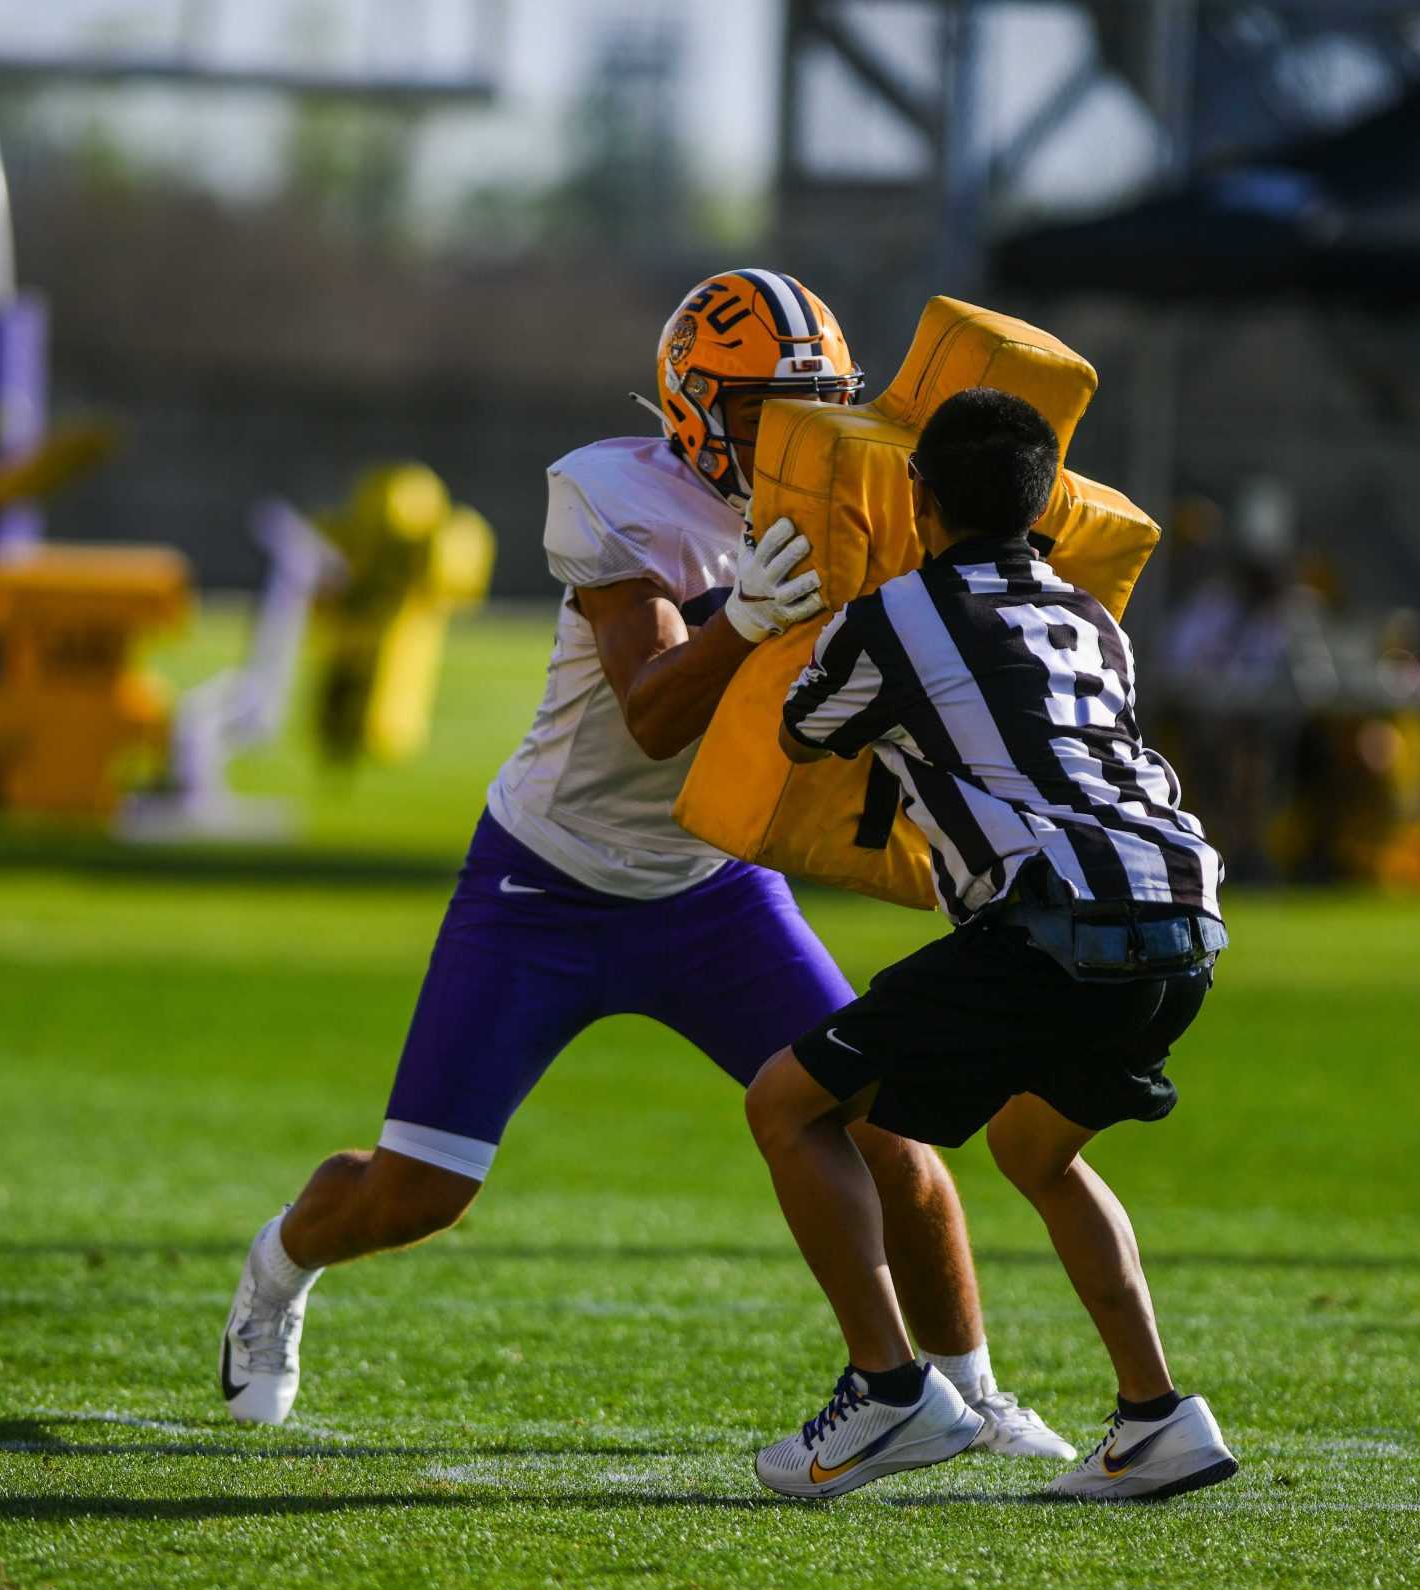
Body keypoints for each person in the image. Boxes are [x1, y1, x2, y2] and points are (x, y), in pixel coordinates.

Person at [216, 272, 1070, 1462]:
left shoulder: (865, 496)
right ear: (692, 411)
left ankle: (970, 1392)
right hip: (546, 883)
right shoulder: (617, 493)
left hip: (713, 887)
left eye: (816, 405)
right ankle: (276, 1271)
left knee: (891, 1129)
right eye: (765, 411)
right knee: (423, 1191)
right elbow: (656, 713)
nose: (795, 436)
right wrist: (743, 621)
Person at [743, 387, 1239, 1503]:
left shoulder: (897, 616)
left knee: (786, 1105)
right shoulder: (1091, 620)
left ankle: (890, 1388)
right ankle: (1157, 1417)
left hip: (1053, 925)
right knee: (1033, 1152)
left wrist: (802, 591)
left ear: (917, 495)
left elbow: (804, 726)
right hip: (1184, 926)